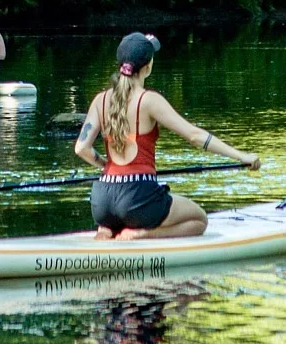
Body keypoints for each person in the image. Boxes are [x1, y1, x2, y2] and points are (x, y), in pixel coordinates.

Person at [74, 32, 260, 240]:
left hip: (102, 201)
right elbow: (194, 136)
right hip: (136, 199)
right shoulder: (149, 100)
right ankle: (141, 234)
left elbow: (81, 148)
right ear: (148, 67)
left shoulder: (100, 100)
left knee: (115, 217)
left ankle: (107, 231)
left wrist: (104, 165)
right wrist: (241, 156)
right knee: (199, 220)